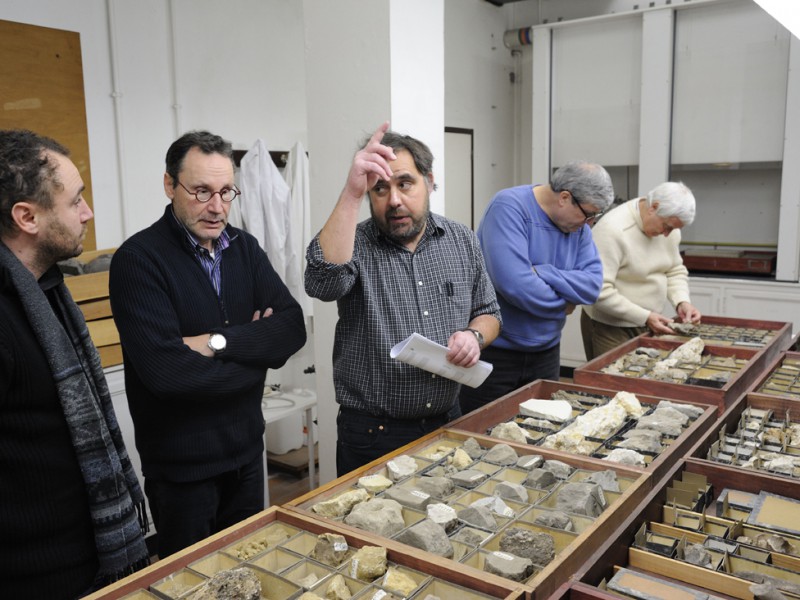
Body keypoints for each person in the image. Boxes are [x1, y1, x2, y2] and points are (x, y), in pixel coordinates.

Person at [109, 131, 306, 558]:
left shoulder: (245, 249)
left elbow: (292, 329)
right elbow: (167, 376)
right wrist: (258, 354)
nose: (217, 207)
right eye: (201, 192)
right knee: (193, 584)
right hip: (183, 472)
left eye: (225, 192)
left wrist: (217, 342)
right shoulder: (138, 260)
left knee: (251, 568)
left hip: (248, 457)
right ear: (169, 186)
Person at [305, 122, 502, 476]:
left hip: (447, 422)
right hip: (372, 435)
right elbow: (322, 283)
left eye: (405, 183)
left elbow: (488, 312)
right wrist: (350, 194)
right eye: (380, 189)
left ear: (428, 181)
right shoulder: (356, 243)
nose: (394, 199)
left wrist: (474, 338)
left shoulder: (461, 239)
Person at [0, 130, 149, 598]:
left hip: (87, 553)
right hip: (33, 572)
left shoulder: (46, 290)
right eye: (76, 200)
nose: (87, 213)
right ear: (26, 216)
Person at [459, 161, 615, 415]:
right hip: (497, 354)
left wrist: (544, 271)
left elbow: (592, 286)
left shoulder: (577, 226)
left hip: (547, 353)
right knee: (485, 436)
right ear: (565, 197)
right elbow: (517, 287)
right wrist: (564, 303)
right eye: (588, 215)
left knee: (542, 433)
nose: (589, 225)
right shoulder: (509, 208)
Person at [581, 181, 701, 360]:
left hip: (649, 321)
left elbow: (674, 269)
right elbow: (598, 291)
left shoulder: (669, 227)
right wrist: (645, 316)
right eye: (667, 227)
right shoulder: (612, 230)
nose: (668, 234)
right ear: (654, 207)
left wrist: (681, 301)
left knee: (641, 383)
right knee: (613, 384)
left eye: (674, 229)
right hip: (611, 327)